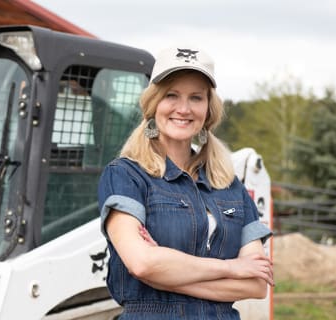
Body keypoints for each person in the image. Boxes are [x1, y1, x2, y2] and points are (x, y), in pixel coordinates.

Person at [97, 45, 273, 320]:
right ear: (154, 103)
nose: (184, 108)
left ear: (208, 107)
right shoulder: (126, 175)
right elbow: (142, 263)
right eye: (171, 95)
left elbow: (257, 284)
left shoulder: (230, 185)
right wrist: (231, 268)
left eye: (196, 97)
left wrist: (164, 273)